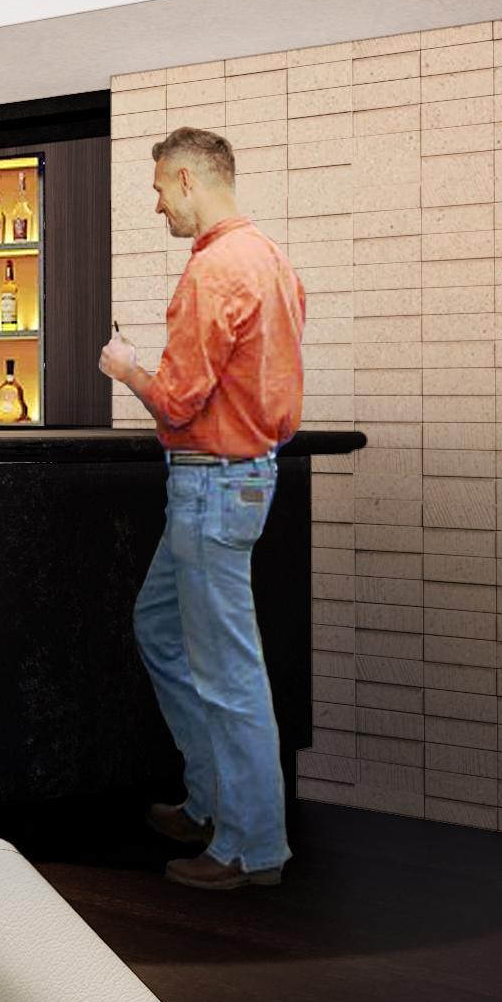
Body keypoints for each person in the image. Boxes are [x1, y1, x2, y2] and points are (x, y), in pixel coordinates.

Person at [99, 125, 311, 891]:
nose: (158, 207)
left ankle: (251, 848)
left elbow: (180, 400)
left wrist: (126, 368)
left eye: (159, 190)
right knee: (160, 625)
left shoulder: (214, 270)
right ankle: (211, 799)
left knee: (229, 672)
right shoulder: (270, 258)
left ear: (188, 178)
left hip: (212, 485)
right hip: (241, 480)